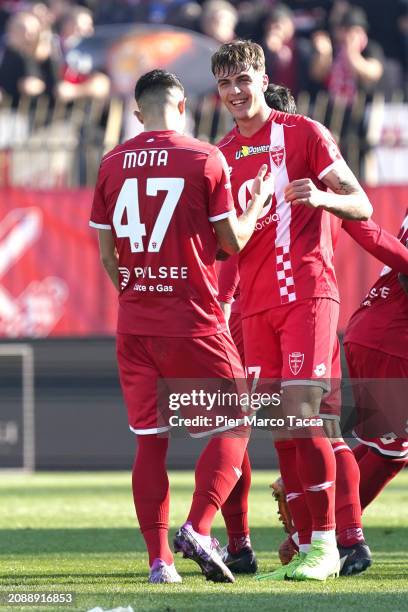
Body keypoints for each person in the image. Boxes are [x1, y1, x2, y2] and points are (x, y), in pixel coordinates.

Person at [89, 69, 273, 584]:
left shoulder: (110, 164)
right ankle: (197, 526)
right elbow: (232, 242)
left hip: (136, 323)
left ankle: (159, 562)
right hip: (193, 320)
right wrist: (256, 202)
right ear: (184, 106)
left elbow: (107, 255)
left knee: (151, 443)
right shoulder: (204, 157)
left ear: (136, 112)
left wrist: (138, 292)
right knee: (236, 416)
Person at [218, 82, 408, 576]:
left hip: (295, 314)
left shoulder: (307, 176)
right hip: (278, 315)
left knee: (302, 433)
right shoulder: (277, 180)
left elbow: (369, 226)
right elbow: (374, 236)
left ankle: (316, 541)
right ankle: (329, 541)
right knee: (311, 434)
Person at [344, 213, 408, 510]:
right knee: (392, 453)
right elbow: (405, 273)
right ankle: (318, 536)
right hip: (391, 339)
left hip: (373, 331)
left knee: (382, 444)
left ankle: (308, 503)